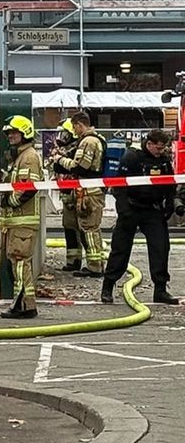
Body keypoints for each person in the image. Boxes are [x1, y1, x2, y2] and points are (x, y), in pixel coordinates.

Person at [101, 130, 182, 306]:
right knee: (120, 249)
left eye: (163, 148)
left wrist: (169, 205)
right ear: (149, 144)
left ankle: (160, 290)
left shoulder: (164, 160)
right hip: (131, 207)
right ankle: (108, 286)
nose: (160, 151)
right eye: (158, 148)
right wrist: (123, 210)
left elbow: (170, 184)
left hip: (152, 210)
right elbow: (118, 185)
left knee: (160, 248)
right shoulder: (132, 158)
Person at [0, 116, 45, 319]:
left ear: (25, 133)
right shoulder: (19, 156)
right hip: (15, 221)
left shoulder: (28, 157)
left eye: (14, 132)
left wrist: (11, 202)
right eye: (8, 133)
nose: (10, 136)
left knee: (20, 262)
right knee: (16, 263)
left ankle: (24, 306)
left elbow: (28, 189)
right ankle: (23, 304)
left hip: (23, 220)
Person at [54, 112, 107, 278]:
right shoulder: (89, 140)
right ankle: (90, 264)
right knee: (84, 227)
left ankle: (95, 266)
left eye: (74, 127)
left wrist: (59, 160)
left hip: (90, 192)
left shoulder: (89, 141)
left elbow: (80, 167)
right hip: (86, 191)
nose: (74, 131)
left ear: (78, 125)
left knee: (89, 229)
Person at [49, 120, 83, 275]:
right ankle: (72, 260)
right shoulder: (66, 149)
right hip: (68, 193)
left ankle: (87, 262)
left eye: (65, 134)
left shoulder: (76, 149)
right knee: (69, 227)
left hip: (78, 194)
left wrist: (59, 159)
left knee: (81, 229)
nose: (62, 137)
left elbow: (72, 167)